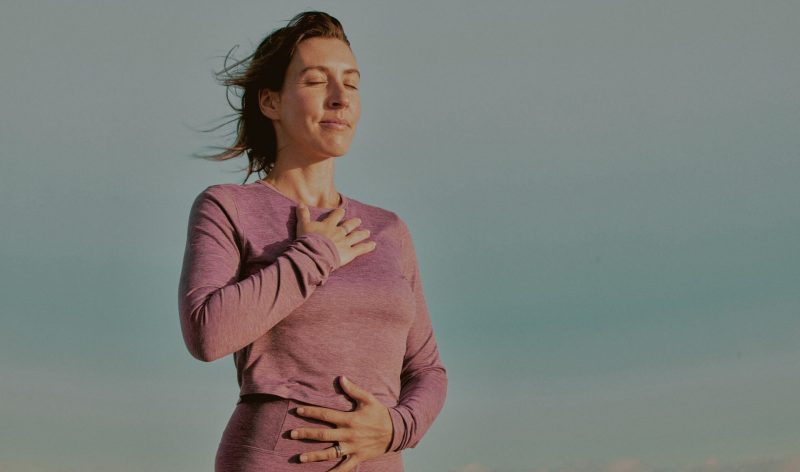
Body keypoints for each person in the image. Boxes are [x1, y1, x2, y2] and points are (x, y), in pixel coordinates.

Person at [178, 11, 448, 472]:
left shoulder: (389, 229)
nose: (340, 98)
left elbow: (426, 369)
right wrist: (314, 254)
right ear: (271, 102)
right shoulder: (228, 207)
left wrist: (394, 428)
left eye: (352, 83)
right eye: (317, 81)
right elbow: (207, 332)